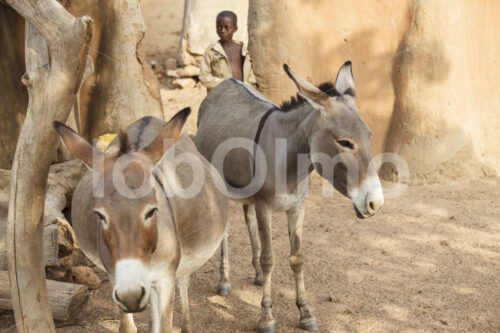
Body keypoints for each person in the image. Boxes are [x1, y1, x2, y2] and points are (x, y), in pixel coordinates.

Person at [199, 10, 257, 92]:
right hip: (220, 96)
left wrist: (250, 85)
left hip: (243, 94)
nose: (222, 30)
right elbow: (204, 77)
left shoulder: (243, 50)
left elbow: (250, 72)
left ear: (235, 29)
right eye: (219, 27)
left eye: (227, 27)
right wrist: (227, 84)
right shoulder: (211, 51)